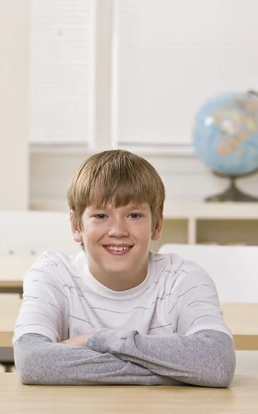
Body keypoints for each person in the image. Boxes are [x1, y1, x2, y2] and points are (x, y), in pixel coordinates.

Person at [13, 149, 235, 387]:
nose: (117, 230)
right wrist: (175, 370)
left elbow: (217, 362)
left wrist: (97, 339)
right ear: (76, 225)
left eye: (134, 215)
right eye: (100, 215)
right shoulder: (53, 273)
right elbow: (32, 360)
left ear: (157, 225)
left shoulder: (184, 278)